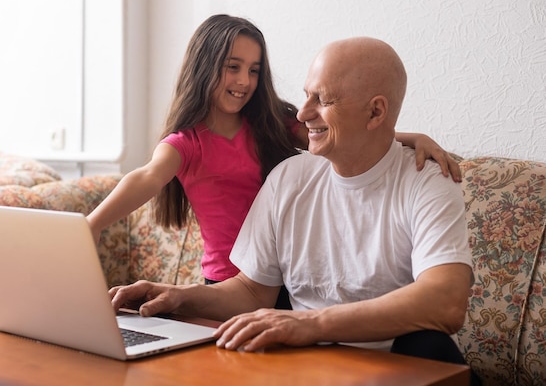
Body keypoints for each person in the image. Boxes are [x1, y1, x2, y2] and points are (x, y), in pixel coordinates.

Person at [108, 36, 478, 383]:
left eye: (323, 100)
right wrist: (174, 296)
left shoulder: (427, 179)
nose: (302, 114)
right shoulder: (289, 176)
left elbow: (445, 302)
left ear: (375, 112)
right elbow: (252, 292)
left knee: (430, 346)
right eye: (306, 96)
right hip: (305, 365)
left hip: (393, 364)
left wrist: (310, 325)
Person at [88, 14, 461, 292]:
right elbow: (146, 177)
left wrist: (410, 138)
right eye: (232, 68)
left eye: (253, 70)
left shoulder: (270, 122)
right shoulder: (187, 143)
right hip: (227, 282)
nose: (244, 82)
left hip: (283, 277)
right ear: (204, 68)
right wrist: (92, 225)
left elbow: (342, 135)